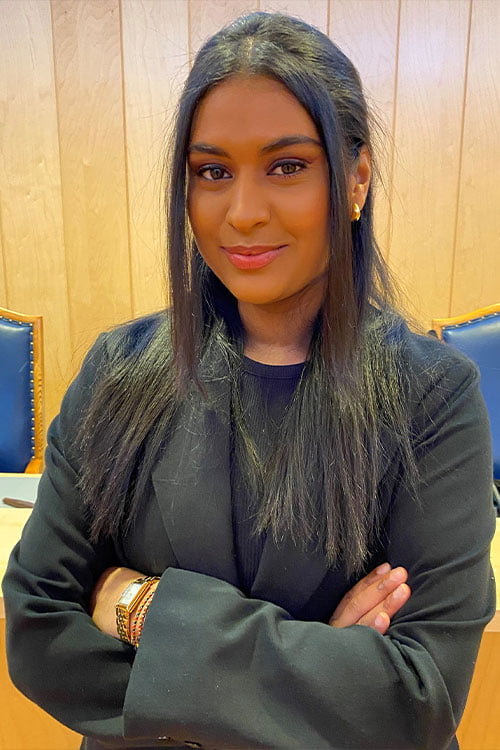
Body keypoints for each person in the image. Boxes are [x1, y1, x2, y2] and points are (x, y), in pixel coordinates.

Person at [2, 11, 496, 750]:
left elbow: (418, 699)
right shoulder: (118, 373)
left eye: (287, 166)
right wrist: (320, 672)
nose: (243, 213)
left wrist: (138, 606)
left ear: (356, 178)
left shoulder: (434, 400)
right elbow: (37, 630)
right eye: (213, 172)